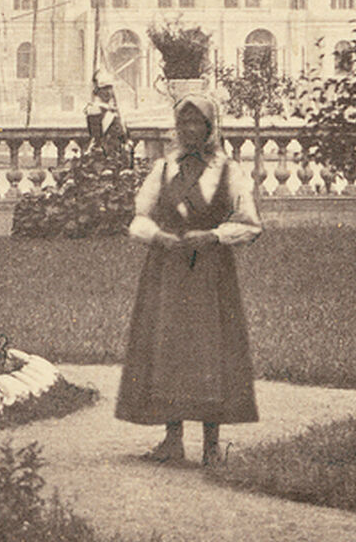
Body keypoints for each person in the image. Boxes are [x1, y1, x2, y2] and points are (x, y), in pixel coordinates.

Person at [115, 94, 262, 465]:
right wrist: (155, 236)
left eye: (198, 122)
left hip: (211, 273)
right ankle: (172, 439)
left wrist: (214, 236)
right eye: (184, 123)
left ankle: (212, 445)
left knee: (211, 348)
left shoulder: (228, 171)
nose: (191, 130)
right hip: (167, 270)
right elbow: (139, 216)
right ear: (177, 128)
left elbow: (249, 223)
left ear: (211, 127)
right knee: (169, 347)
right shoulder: (164, 168)